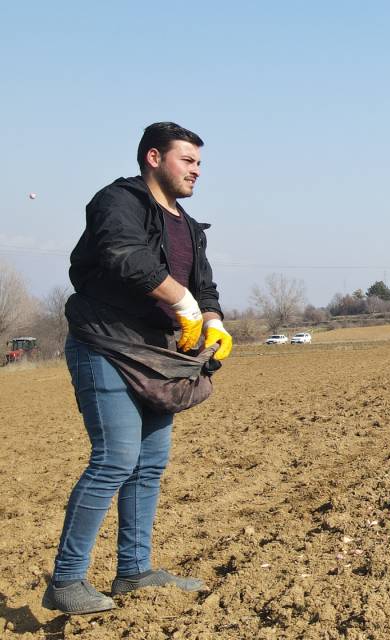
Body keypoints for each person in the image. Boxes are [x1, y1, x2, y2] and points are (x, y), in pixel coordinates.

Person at [48, 123, 229, 615]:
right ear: (154, 157)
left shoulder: (188, 225)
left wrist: (210, 320)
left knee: (149, 465)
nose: (196, 171)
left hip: (157, 355)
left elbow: (204, 287)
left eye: (199, 163)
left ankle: (133, 570)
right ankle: (66, 580)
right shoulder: (118, 202)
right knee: (114, 459)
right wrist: (183, 302)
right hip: (105, 344)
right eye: (187, 160)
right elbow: (124, 255)